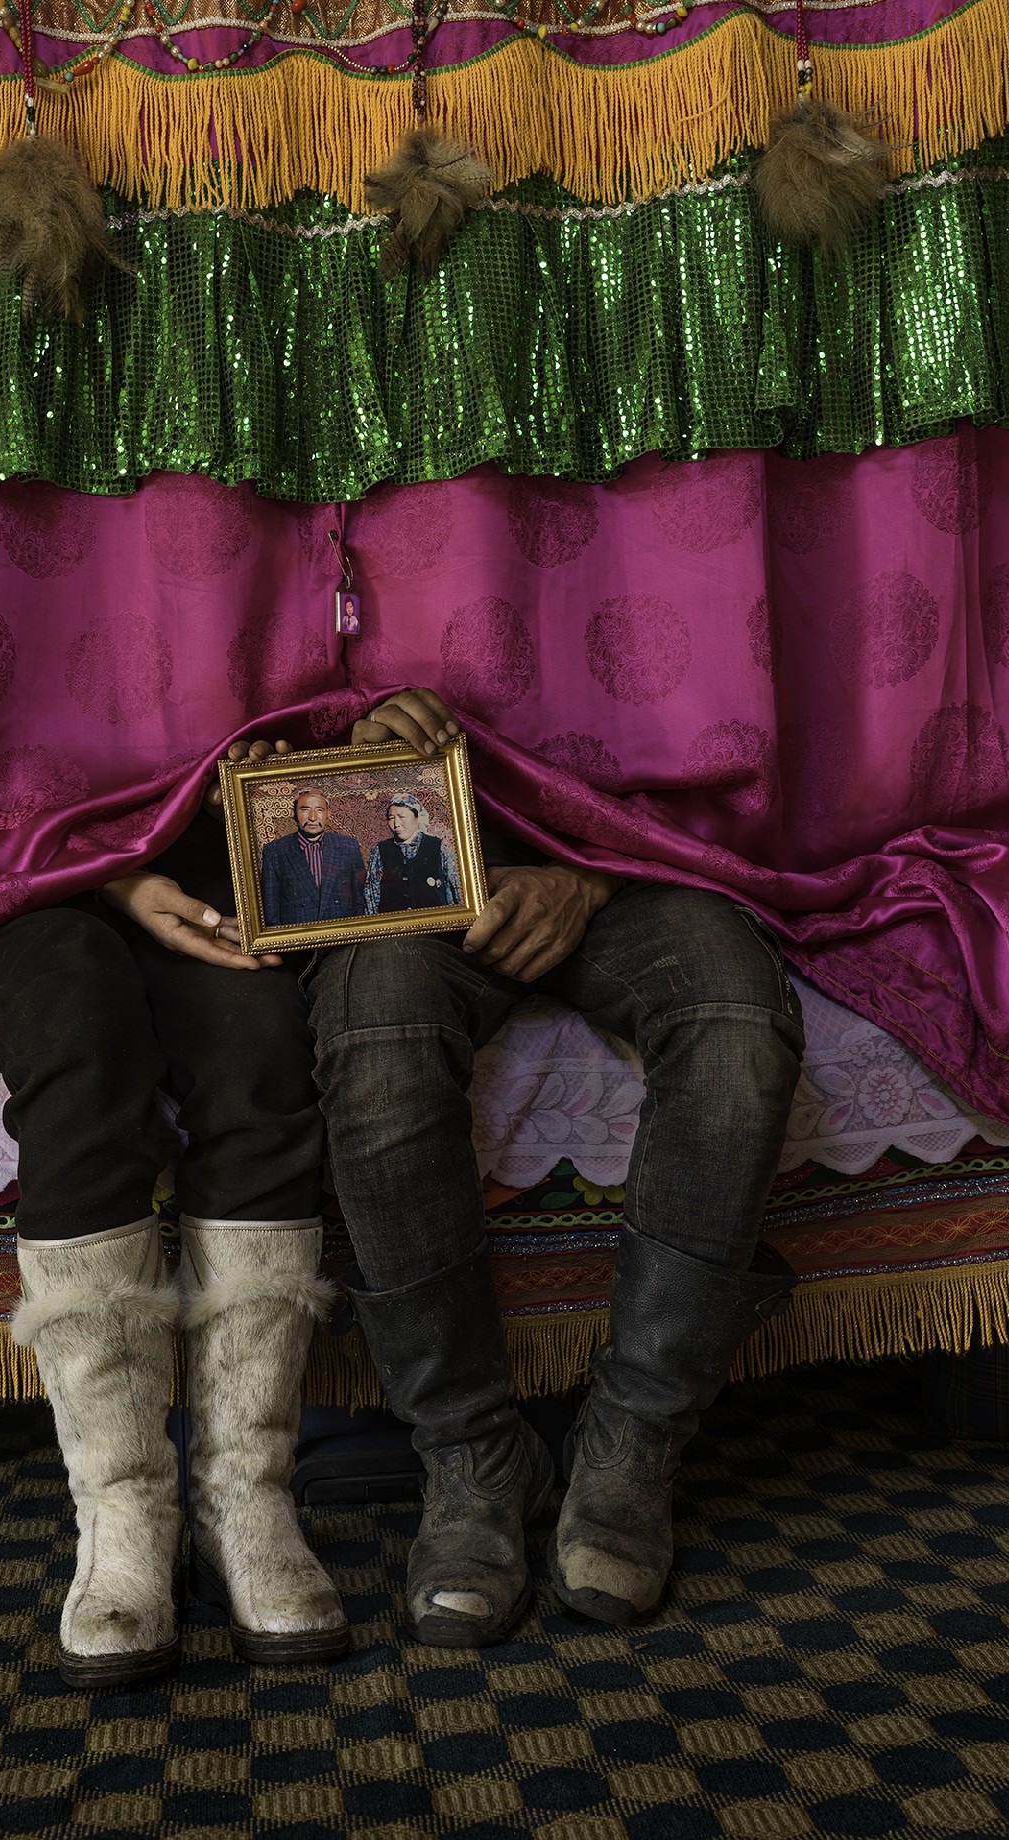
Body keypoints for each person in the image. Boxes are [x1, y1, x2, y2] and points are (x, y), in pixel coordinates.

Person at [306, 689, 804, 1645]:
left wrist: (587, 877)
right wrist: (355, 746)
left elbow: (719, 729)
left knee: (738, 1029)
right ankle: (472, 1457)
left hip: (634, 864)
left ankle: (633, 1444)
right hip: (413, 873)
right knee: (378, 1051)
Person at [0, 737, 348, 1688]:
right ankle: (125, 1512)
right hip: (0, 873)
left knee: (260, 1039)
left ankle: (246, 1498)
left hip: (193, 862)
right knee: (79, 1028)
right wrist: (111, 877)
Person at [258, 787, 366, 926]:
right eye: (305, 809)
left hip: (342, 933)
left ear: (328, 814)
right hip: (299, 935)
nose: (313, 817)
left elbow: (360, 901)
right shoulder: (275, 851)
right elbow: (270, 912)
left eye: (319, 810)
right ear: (294, 814)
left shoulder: (348, 846)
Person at [364, 792, 463, 914]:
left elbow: (455, 890)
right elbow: (371, 894)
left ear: (418, 817)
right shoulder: (380, 850)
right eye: (391, 818)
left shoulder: (439, 847)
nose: (396, 824)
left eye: (402, 817)